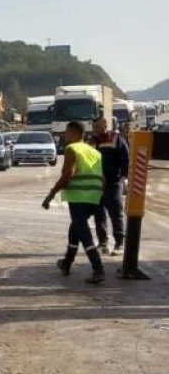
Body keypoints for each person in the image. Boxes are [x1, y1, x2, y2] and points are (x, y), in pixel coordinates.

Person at [42, 121, 105, 284]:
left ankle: (98, 268)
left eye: (67, 132)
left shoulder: (72, 149)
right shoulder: (94, 151)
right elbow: (103, 178)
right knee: (76, 227)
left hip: (79, 197)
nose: (65, 135)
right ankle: (67, 263)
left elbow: (67, 176)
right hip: (95, 197)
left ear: (75, 133)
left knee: (84, 233)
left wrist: (51, 194)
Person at [89, 117, 129, 254]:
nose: (95, 129)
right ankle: (103, 243)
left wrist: (123, 178)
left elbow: (125, 159)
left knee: (115, 213)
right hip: (96, 184)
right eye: (93, 126)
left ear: (105, 125)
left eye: (98, 126)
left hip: (113, 183)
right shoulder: (92, 141)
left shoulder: (115, 139)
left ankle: (119, 243)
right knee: (99, 214)